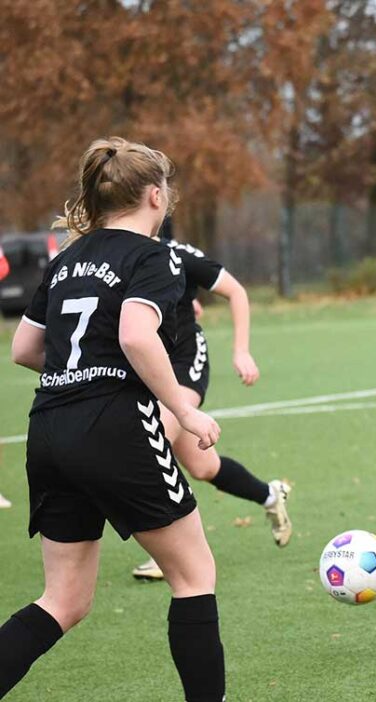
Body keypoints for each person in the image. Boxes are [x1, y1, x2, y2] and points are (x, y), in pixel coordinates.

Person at [1, 137, 226, 701]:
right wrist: (182, 408)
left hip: (49, 428)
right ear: (155, 195)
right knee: (194, 578)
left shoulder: (66, 258)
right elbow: (133, 333)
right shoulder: (153, 256)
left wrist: (80, 376)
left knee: (63, 600)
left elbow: (25, 348)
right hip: (115, 426)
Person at [131, 219, 291, 582]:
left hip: (186, 363)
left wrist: (242, 351)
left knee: (151, 443)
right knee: (203, 467)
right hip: (150, 369)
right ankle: (270, 496)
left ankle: (170, 550)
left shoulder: (179, 255)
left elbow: (237, 292)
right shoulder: (122, 257)